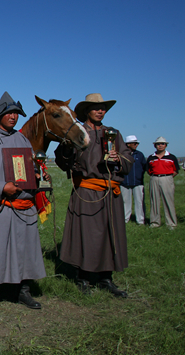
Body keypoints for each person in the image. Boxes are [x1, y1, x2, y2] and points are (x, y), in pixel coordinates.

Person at [0, 91, 47, 313]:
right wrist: (2, 187)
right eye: (9, 113)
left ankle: (23, 291)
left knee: (25, 250)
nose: (13, 117)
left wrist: (38, 175)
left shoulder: (23, 139)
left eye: (16, 114)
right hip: (0, 205)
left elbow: (30, 167)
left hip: (24, 206)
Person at [54, 93, 133, 298]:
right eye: (96, 108)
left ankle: (106, 278)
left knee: (110, 234)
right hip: (87, 190)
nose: (100, 111)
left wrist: (119, 158)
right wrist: (67, 148)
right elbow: (63, 160)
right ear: (87, 111)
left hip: (110, 192)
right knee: (87, 236)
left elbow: (128, 159)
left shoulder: (113, 133)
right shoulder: (77, 131)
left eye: (103, 108)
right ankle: (83, 278)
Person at [146, 136, 179, 229]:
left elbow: (176, 170)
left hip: (167, 178)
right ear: (155, 145)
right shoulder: (151, 157)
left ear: (166, 145)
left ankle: (171, 223)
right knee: (154, 201)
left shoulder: (171, 157)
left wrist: (167, 177)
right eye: (158, 144)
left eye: (162, 144)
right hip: (154, 178)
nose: (160, 145)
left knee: (168, 201)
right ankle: (155, 222)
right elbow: (148, 170)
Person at [120, 135, 147, 225]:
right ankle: (125, 219)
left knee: (139, 202)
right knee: (125, 202)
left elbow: (144, 167)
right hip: (124, 182)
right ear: (128, 144)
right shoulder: (121, 154)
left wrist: (139, 177)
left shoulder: (139, 155)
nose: (136, 145)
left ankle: (140, 220)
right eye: (135, 143)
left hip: (138, 183)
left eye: (137, 143)